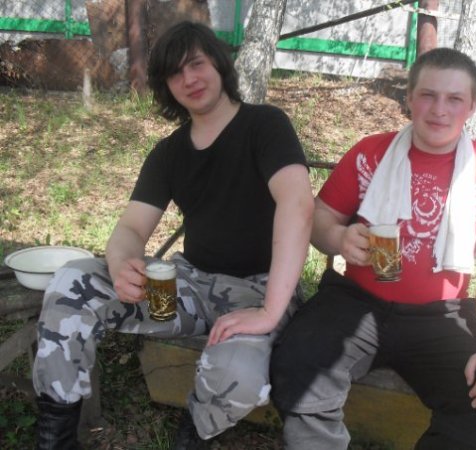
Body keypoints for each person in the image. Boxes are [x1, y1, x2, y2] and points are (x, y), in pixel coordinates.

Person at [32, 21, 314, 450]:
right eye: (175, 73)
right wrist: (120, 265)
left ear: (218, 64)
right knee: (71, 282)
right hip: (190, 287)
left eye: (197, 64)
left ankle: (193, 435)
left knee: (238, 371)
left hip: (261, 290)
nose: (189, 79)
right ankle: (55, 436)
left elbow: (297, 204)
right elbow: (131, 228)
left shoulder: (265, 125)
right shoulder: (169, 152)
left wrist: (270, 311)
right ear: (166, 87)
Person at [270, 47, 476, 450]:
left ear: (472, 106)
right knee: (297, 363)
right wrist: (339, 238)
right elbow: (319, 219)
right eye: (428, 95)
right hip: (355, 302)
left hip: (441, 317)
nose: (439, 110)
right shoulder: (370, 153)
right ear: (408, 98)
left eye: (454, 98)